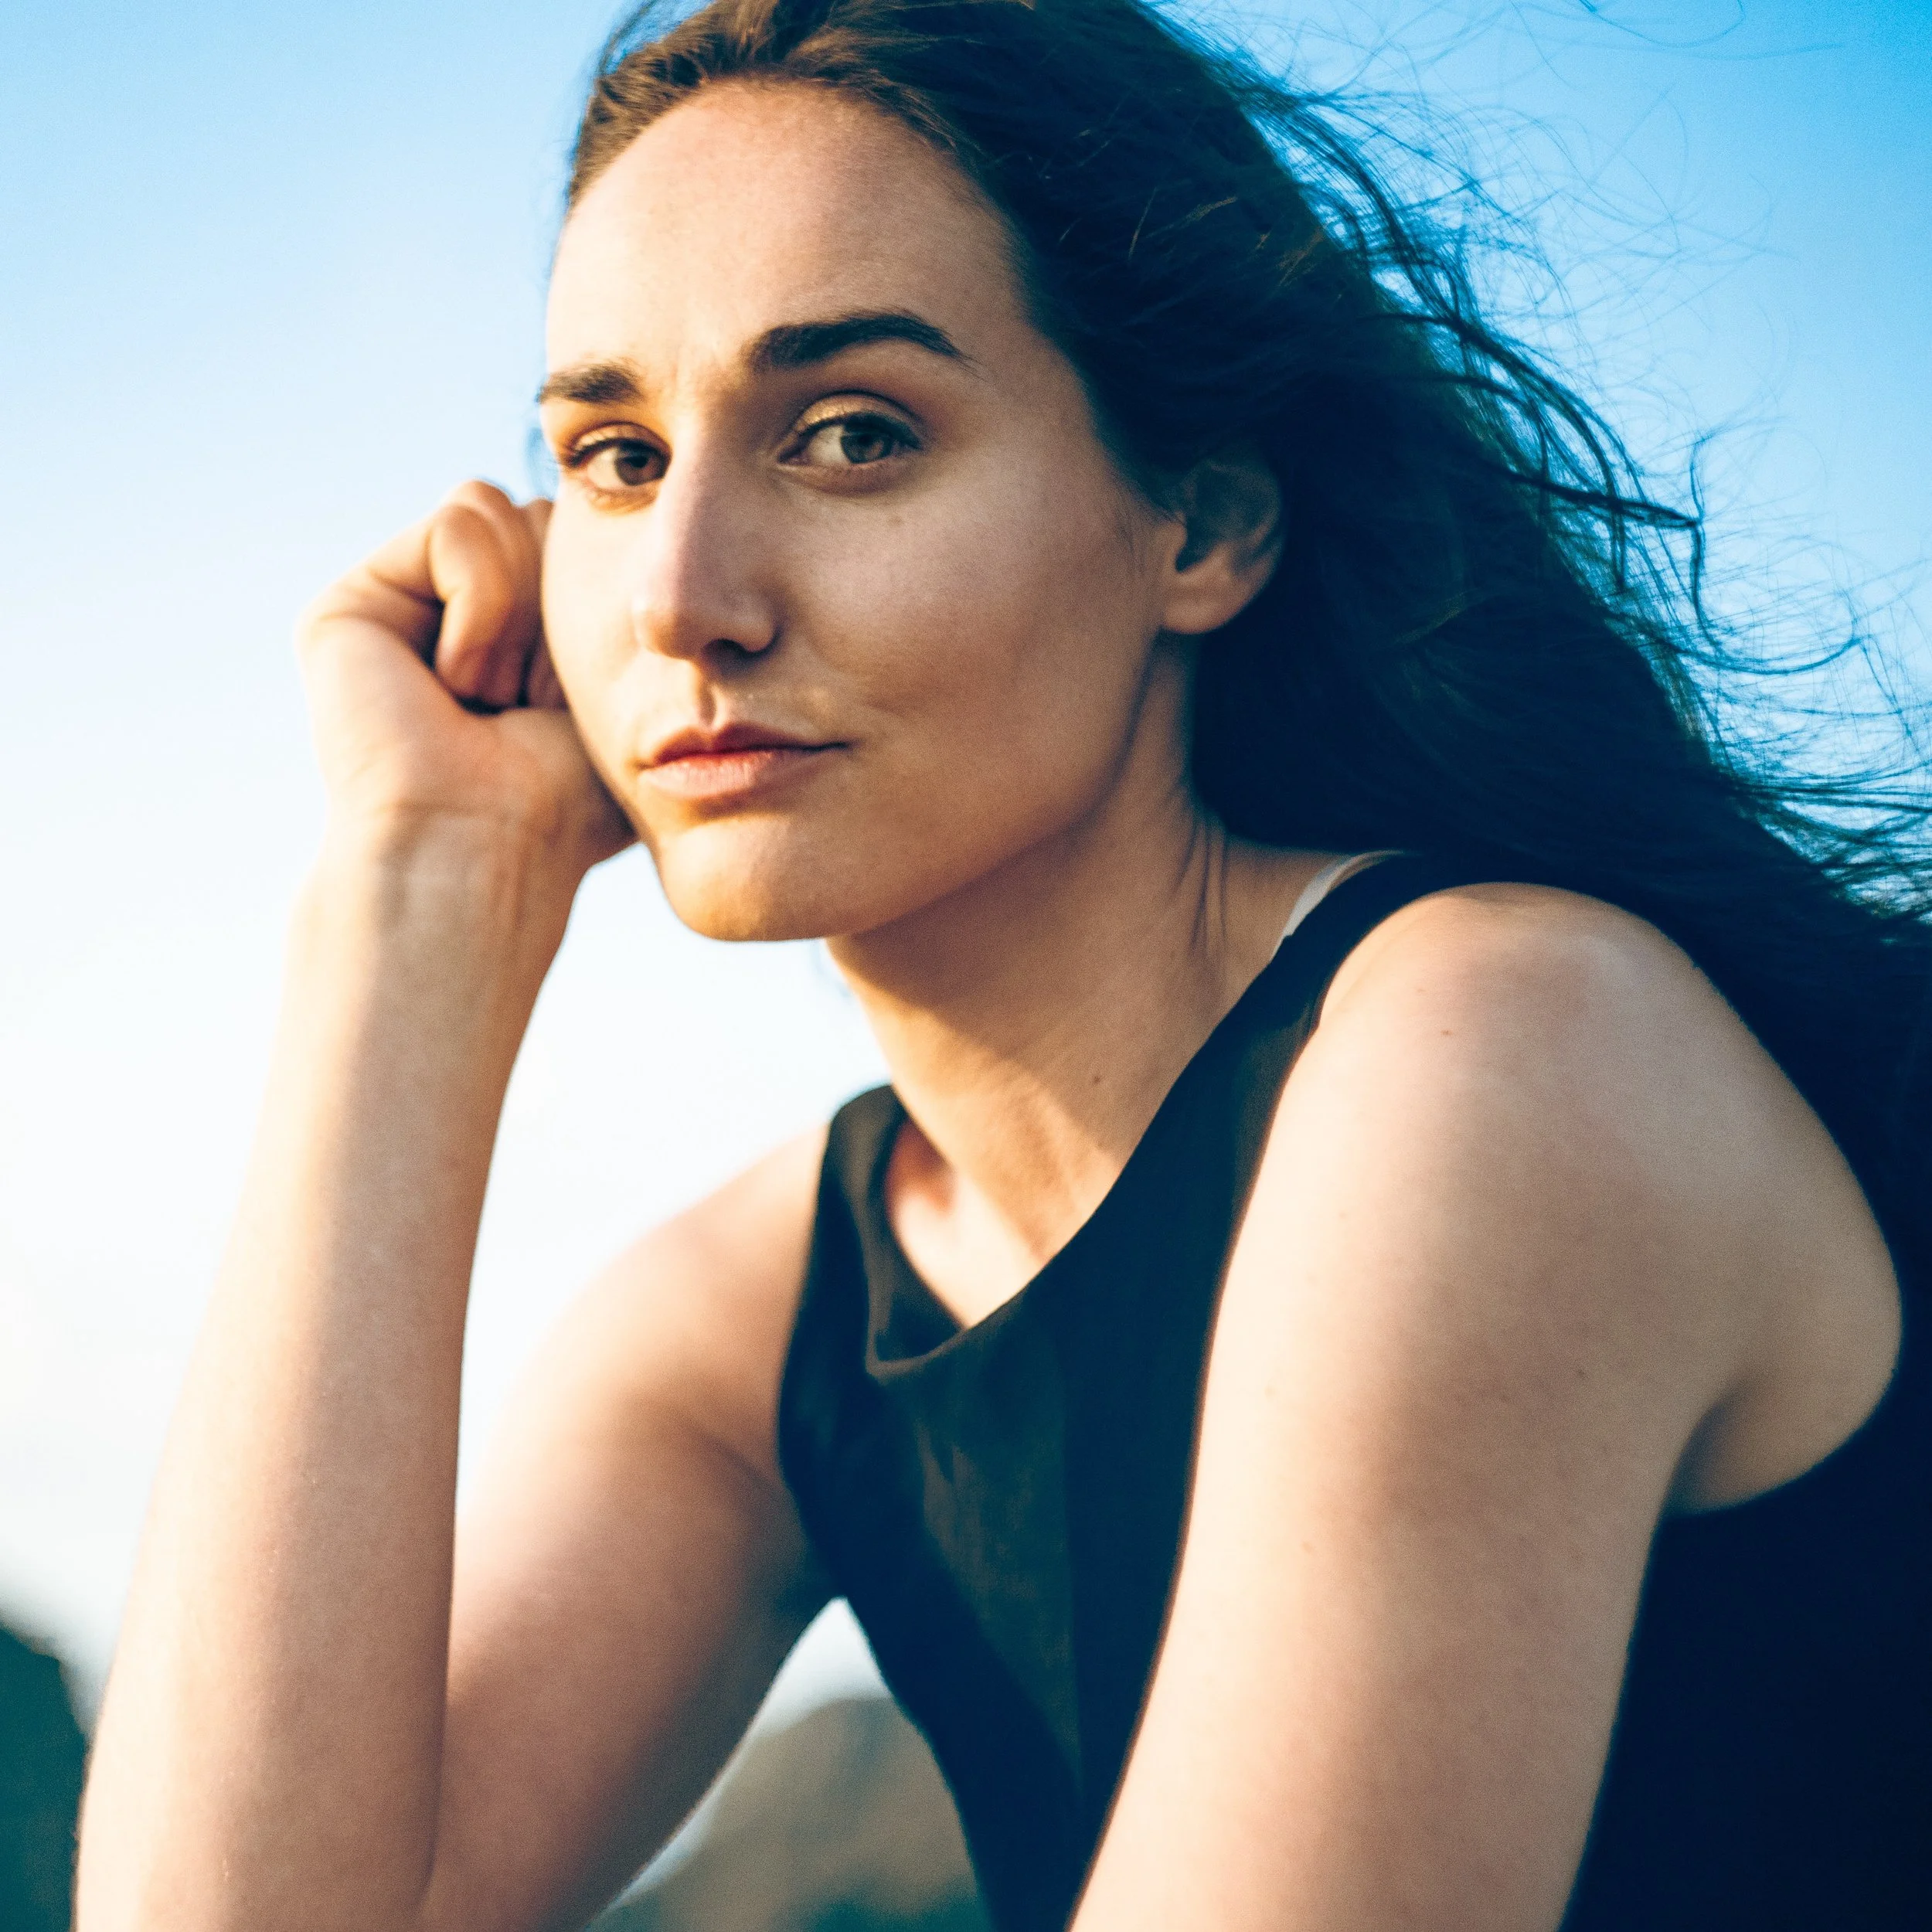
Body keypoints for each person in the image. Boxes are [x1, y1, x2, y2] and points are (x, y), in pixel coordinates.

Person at [73, 0, 1932, 1926]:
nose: (686, 598)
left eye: (852, 436)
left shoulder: (1500, 1043)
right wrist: (418, 892)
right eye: (614, 456)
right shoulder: (770, 1316)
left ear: (1199, 521)